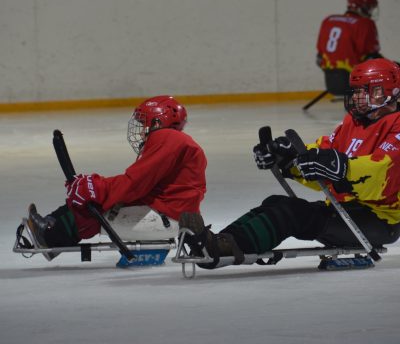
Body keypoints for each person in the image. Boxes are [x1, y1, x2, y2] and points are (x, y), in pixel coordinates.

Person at [180, 59, 400, 269]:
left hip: (380, 222)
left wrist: (341, 168)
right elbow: (321, 157)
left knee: (293, 214)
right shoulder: (353, 123)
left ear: (390, 93)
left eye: (367, 91)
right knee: (275, 202)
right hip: (346, 210)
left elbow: (382, 174)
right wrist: (288, 160)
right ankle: (217, 241)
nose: (358, 97)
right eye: (357, 90)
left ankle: (222, 250)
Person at [27, 95, 207, 259]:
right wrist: (97, 188)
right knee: (103, 199)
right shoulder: (176, 141)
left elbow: (134, 184)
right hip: (171, 214)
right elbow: (140, 184)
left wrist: (94, 187)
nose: (142, 130)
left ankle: (50, 234)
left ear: (158, 122)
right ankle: (53, 229)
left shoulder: (167, 138)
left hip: (166, 217)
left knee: (97, 205)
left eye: (145, 123)